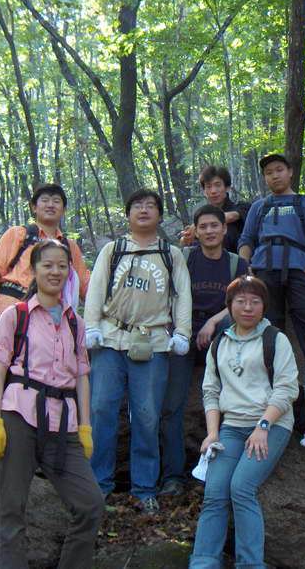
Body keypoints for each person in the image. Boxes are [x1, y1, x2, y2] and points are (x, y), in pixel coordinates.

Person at [0, 239, 104, 568]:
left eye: (62, 266)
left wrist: (85, 427)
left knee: (91, 504)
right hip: (18, 416)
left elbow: (82, 377)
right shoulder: (15, 316)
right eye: (47, 265)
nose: (55, 271)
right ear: (33, 270)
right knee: (11, 509)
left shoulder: (75, 323)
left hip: (63, 424)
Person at [83, 189, 192, 514]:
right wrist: (91, 327)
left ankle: (145, 488)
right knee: (101, 409)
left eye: (151, 206)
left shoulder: (171, 254)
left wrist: (182, 332)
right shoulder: (113, 250)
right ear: (128, 213)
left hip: (152, 341)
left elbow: (182, 296)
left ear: (159, 214)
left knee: (147, 415)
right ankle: (98, 485)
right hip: (110, 339)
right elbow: (95, 290)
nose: (144, 210)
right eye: (137, 206)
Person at [190, 276, 299, 569]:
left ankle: (250, 564)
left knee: (241, 487)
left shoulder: (275, 339)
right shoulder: (220, 343)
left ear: (264, 306)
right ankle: (203, 563)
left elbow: (287, 388)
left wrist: (263, 427)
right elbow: (211, 390)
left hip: (271, 424)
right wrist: (212, 433)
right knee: (215, 492)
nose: (248, 308)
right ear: (230, 306)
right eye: (241, 301)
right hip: (231, 426)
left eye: (255, 302)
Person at [159, 204, 248, 497]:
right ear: (195, 231)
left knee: (231, 402)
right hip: (183, 335)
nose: (209, 231)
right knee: (171, 405)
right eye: (203, 227)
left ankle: (222, 470)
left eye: (214, 225)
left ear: (224, 229)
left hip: (219, 336)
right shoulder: (184, 258)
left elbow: (243, 302)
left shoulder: (236, 264)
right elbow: (167, 295)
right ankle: (173, 476)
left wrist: (212, 321)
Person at [238, 153, 305, 359]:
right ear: (264, 178)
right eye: (269, 173)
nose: (275, 176)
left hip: (298, 268)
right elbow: (246, 239)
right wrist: (245, 267)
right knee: (269, 322)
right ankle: (272, 368)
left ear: (290, 172)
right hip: (264, 269)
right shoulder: (259, 206)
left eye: (279, 170)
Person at [0, 183, 91, 340]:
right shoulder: (18, 234)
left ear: (64, 210)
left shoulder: (69, 247)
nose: (50, 205)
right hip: (8, 311)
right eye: (44, 200)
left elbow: (86, 285)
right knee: (1, 355)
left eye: (56, 201)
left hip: (49, 320)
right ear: (34, 207)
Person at [180, 165, 251, 254]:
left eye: (218, 185)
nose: (213, 191)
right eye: (208, 186)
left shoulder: (243, 207)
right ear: (204, 191)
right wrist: (186, 239)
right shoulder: (200, 215)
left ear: (227, 187)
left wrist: (197, 225)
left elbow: (232, 216)